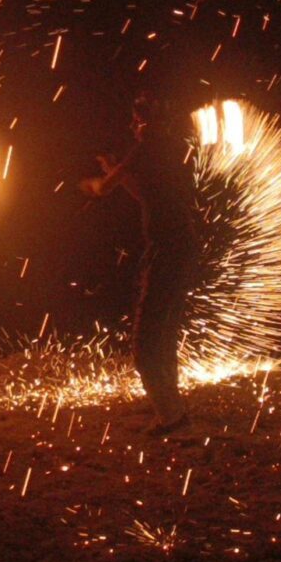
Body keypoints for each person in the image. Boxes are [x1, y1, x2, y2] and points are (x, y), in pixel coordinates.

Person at [80, 90, 198, 435]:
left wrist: (99, 176)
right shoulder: (166, 149)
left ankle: (172, 418)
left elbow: (103, 188)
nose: (132, 125)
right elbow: (144, 190)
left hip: (167, 250)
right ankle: (173, 410)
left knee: (147, 342)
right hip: (181, 248)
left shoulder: (147, 148)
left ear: (146, 121)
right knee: (164, 332)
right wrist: (116, 169)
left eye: (136, 119)